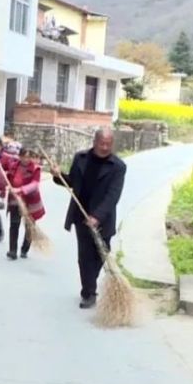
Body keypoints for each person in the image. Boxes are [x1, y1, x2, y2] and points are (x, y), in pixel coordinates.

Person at [49, 127, 127, 309]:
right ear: (94, 142)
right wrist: (58, 176)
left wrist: (97, 216)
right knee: (85, 256)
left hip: (103, 218)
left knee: (101, 253)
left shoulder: (118, 167)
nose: (105, 147)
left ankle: (90, 283)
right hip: (81, 215)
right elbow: (73, 183)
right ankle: (88, 292)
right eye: (102, 143)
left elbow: (113, 196)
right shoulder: (80, 158)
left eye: (109, 144)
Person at [5, 148, 45, 260]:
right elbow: (7, 180)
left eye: (29, 157)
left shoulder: (36, 169)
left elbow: (35, 185)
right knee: (14, 224)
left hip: (30, 201)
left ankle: (24, 249)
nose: (26, 159)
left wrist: (20, 190)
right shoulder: (13, 167)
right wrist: (3, 177)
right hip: (15, 200)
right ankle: (12, 251)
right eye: (24, 156)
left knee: (29, 226)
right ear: (20, 156)